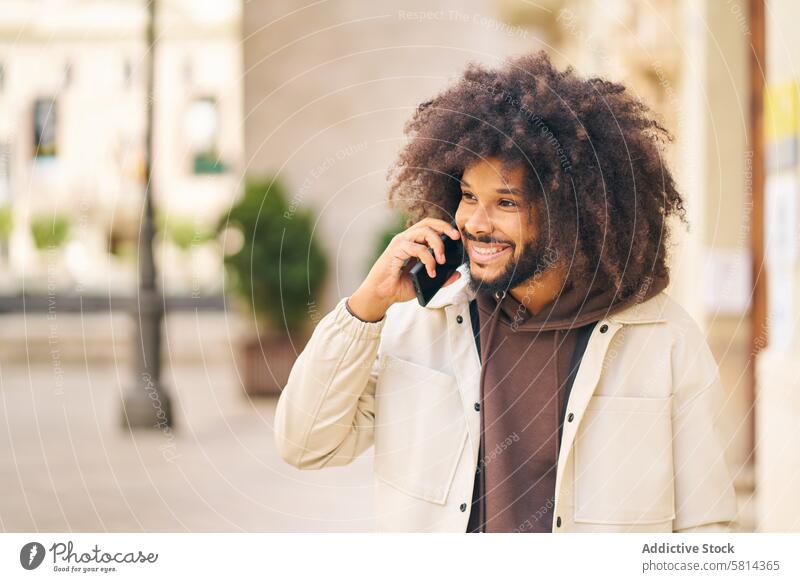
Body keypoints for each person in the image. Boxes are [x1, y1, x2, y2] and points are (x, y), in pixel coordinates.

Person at [273, 51, 738, 533]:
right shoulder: (422, 321)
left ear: (569, 211)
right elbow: (305, 443)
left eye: (506, 202)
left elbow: (706, 525)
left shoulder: (664, 339)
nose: (475, 222)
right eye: (469, 196)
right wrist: (363, 309)